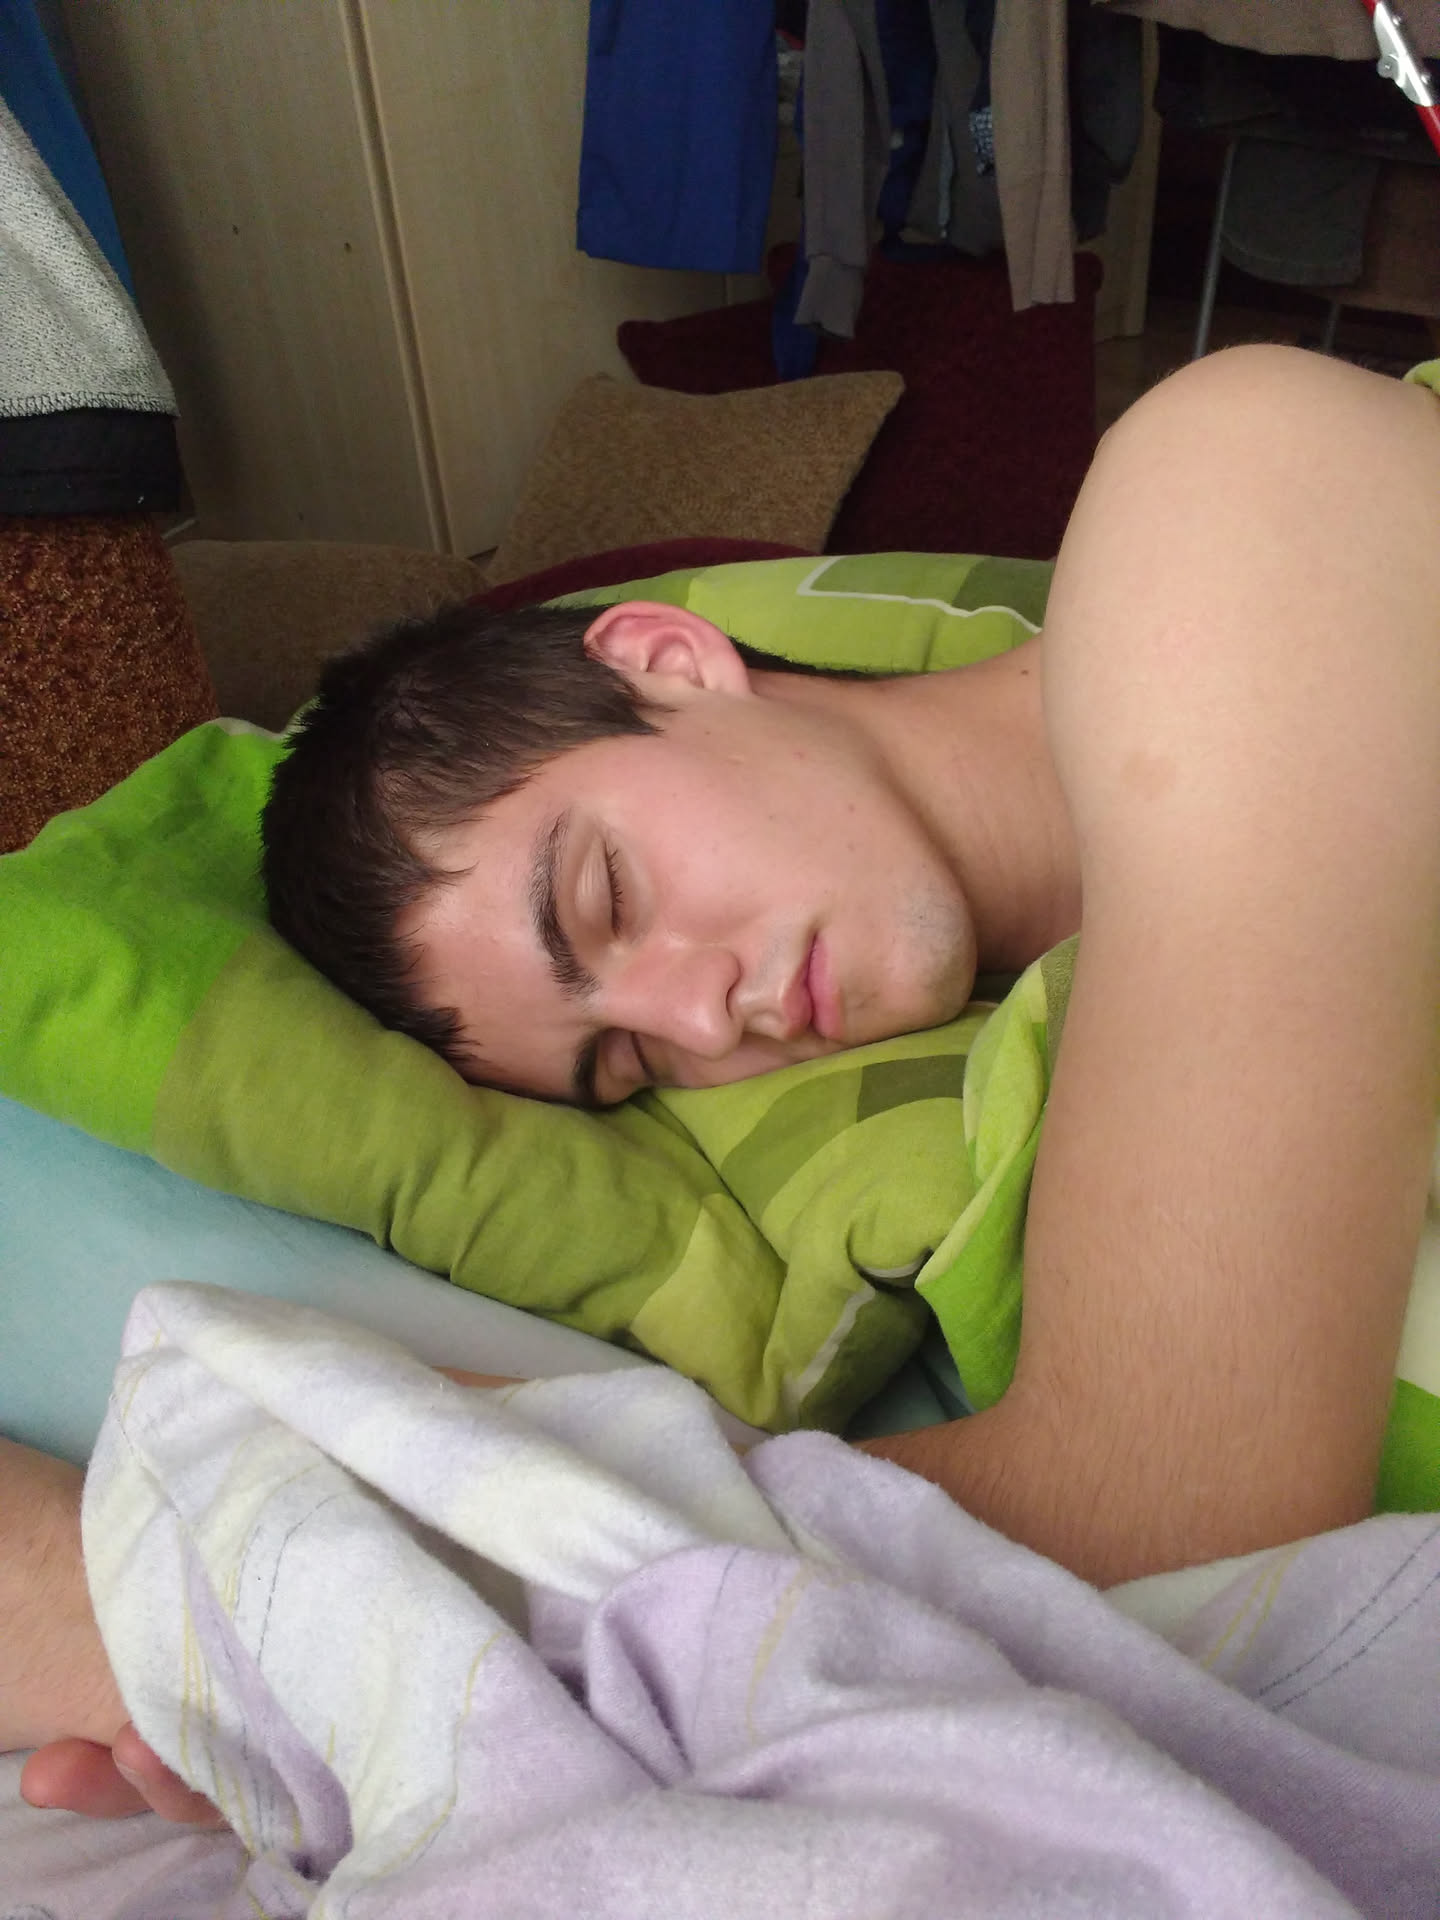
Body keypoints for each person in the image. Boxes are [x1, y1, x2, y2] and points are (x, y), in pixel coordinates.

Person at [8, 343, 1440, 1827]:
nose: (702, 1014)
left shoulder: (1231, 502)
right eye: (625, 1064)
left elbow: (1174, 1502)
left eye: (606, 897)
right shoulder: (1050, 1051)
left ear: (667, 662)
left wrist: (208, 1606)